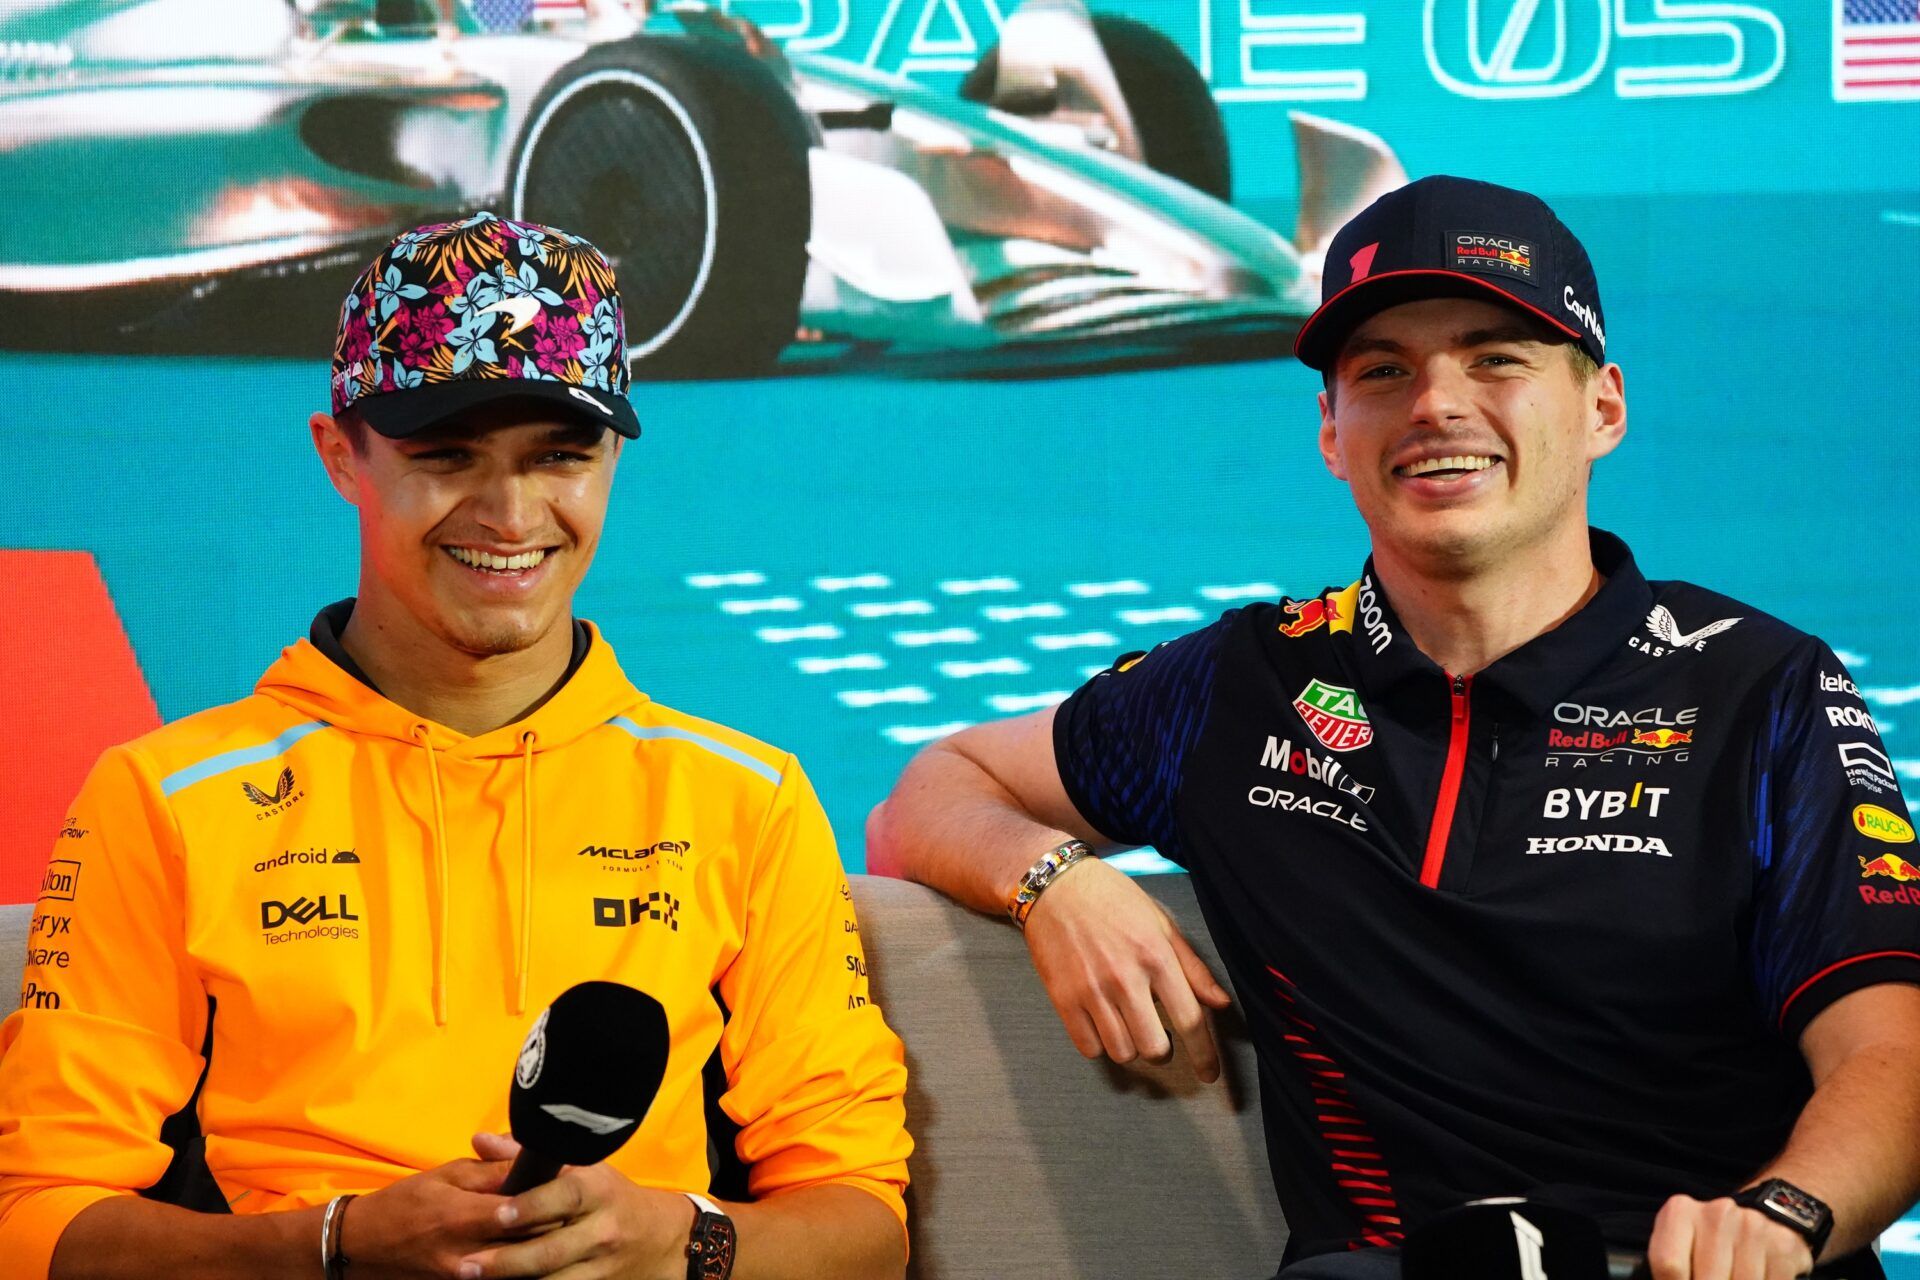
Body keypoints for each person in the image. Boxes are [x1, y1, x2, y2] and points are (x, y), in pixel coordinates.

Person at [866, 176, 1920, 1280]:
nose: (1436, 403)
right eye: (1383, 371)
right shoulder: (1245, 681)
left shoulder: (1762, 684)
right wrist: (1052, 881)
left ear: (1603, 404)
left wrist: (1785, 1211)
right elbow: (931, 791)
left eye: (1496, 357)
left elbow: (1890, 1044)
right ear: (1332, 431)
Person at [0, 213, 911, 1280]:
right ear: (341, 454)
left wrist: (683, 1239)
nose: (510, 512)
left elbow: (866, 1223)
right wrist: (337, 1248)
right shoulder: (163, 798)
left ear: (612, 455)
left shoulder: (746, 798)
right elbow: (36, 1223)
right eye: (447, 455)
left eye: (559, 455)